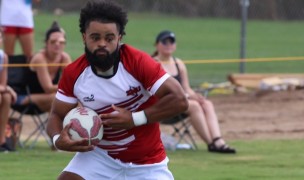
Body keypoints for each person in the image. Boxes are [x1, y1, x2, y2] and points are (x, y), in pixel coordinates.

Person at [46, 0, 188, 180]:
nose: (102, 44)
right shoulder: (74, 73)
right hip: (100, 157)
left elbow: (180, 100)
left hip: (148, 162)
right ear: (84, 37)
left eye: (109, 38)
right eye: (95, 37)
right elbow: (56, 115)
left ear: (119, 38)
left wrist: (134, 119)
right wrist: (58, 140)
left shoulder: (138, 62)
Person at [152, 30, 236, 154]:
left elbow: (186, 88)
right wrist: (187, 97)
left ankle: (218, 141)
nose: (168, 45)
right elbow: (156, 92)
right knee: (194, 106)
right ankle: (211, 144)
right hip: (162, 107)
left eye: (171, 42)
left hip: (181, 105)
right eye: (165, 42)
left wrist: (195, 96)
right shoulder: (153, 63)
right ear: (157, 45)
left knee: (206, 104)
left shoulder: (178, 63)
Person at [15, 21, 71, 112]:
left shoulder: (64, 57)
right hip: (27, 98)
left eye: (61, 42)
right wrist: (69, 87)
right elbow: (48, 88)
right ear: (46, 43)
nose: (57, 44)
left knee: (70, 98)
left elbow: (71, 81)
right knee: (60, 98)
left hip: (48, 99)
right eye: (53, 41)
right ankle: (55, 126)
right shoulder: (40, 58)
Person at [0, 31, 17, 152]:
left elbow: (2, 83)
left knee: (6, 97)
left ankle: (2, 141)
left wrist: (6, 89)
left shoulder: (3, 57)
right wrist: (8, 89)